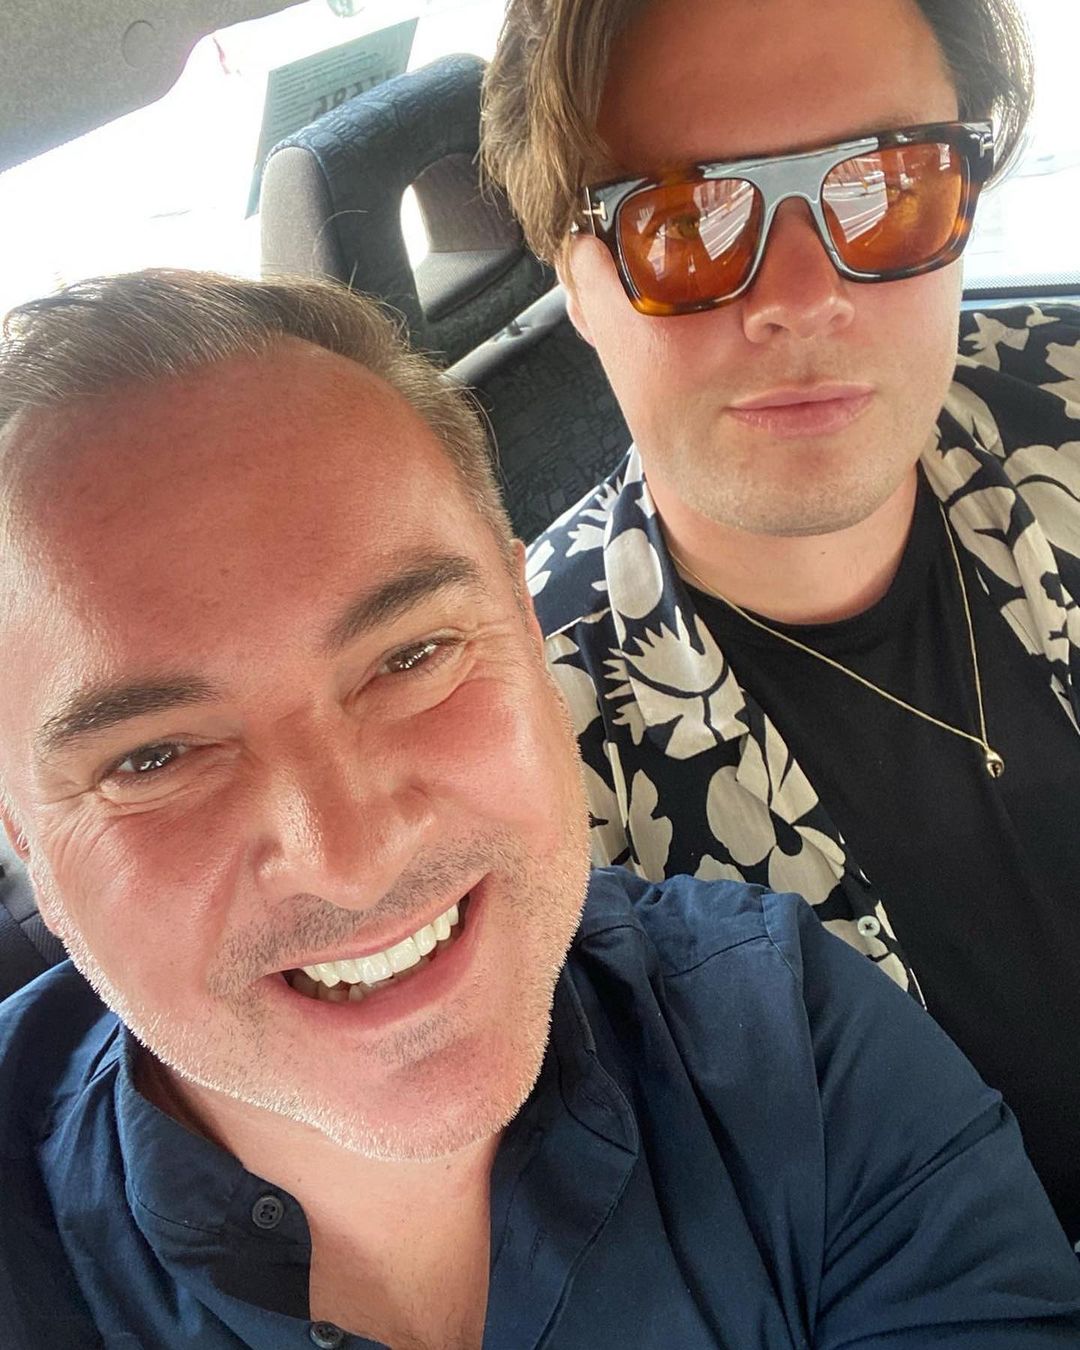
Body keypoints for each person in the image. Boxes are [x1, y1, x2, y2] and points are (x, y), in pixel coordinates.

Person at [0, 270, 1078, 1350]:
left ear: (525, 622)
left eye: (413, 656)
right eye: (152, 758)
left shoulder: (788, 1045)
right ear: (19, 832)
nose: (352, 858)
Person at [482, 0, 1080, 1247]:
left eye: (889, 185)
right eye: (688, 223)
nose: (804, 299)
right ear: (575, 282)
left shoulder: (1063, 403)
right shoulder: (523, 765)